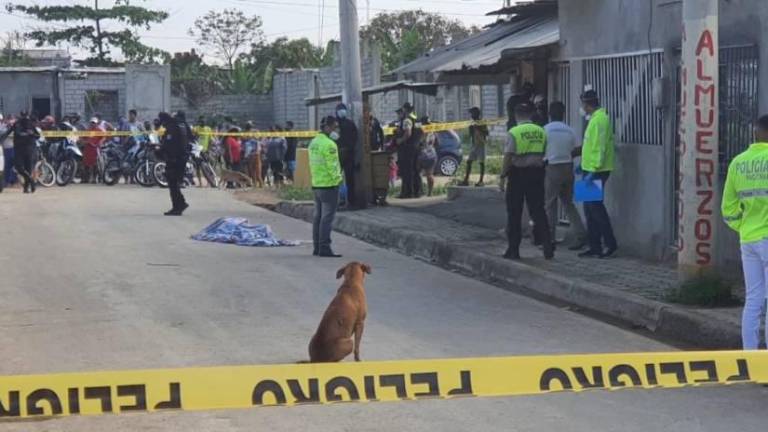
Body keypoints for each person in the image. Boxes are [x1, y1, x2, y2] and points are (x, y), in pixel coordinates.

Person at [722, 114, 768, 350]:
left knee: (753, 300)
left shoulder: (738, 163)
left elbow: (727, 208)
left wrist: (743, 226)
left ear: (755, 133)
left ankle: (750, 359)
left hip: (748, 238)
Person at [500, 103, 553, 260]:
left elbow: (508, 156)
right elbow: (545, 152)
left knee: (514, 212)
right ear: (531, 115)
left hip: (517, 174)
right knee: (538, 210)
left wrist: (502, 176)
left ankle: (513, 250)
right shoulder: (541, 131)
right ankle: (547, 245)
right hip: (537, 173)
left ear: (516, 116)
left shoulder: (514, 132)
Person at [577, 89, 618, 258]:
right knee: (588, 208)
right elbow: (590, 147)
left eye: (583, 104)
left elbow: (600, 148)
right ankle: (594, 246)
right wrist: (582, 166)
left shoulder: (600, 120)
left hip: (597, 170)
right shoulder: (595, 119)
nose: (582, 108)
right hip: (589, 168)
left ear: (587, 105)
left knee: (596, 208)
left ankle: (610, 244)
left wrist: (593, 170)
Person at [544, 101, 588, 250]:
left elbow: (541, 150)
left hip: (552, 167)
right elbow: (580, 148)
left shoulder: (545, 130)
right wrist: (568, 155)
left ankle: (549, 239)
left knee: (550, 204)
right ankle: (581, 235)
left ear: (550, 114)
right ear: (563, 114)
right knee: (568, 203)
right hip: (568, 167)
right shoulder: (570, 130)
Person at [309, 116, 344, 258]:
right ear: (328, 127)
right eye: (334, 127)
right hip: (329, 185)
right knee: (326, 218)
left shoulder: (313, 142)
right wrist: (338, 181)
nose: (336, 130)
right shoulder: (329, 145)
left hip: (317, 184)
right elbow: (333, 166)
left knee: (318, 217)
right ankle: (324, 247)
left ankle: (317, 247)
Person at [158, 112, 189, 216]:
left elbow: (170, 144)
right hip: (182, 157)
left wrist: (160, 150)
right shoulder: (181, 125)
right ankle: (181, 203)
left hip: (175, 159)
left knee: (173, 183)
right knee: (174, 183)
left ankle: (177, 207)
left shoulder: (172, 127)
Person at [335, 103, 358, 207]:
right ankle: (341, 199)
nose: (342, 111)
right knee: (337, 178)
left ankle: (352, 200)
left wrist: (351, 148)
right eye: (340, 110)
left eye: (343, 109)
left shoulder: (350, 123)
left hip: (349, 154)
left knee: (350, 178)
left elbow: (355, 137)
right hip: (337, 154)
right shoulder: (334, 124)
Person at [460, 107, 489, 187]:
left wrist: (478, 127)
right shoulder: (472, 123)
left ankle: (481, 181)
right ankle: (466, 180)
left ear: (476, 114)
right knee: (469, 161)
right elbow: (471, 134)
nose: (471, 115)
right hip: (474, 144)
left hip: (481, 144)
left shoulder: (482, 122)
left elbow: (487, 133)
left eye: (472, 113)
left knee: (481, 162)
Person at [12, 111, 39, 193]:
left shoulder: (31, 124)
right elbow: (15, 133)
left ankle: (26, 188)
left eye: (26, 116)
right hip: (19, 149)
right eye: (23, 116)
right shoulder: (17, 124)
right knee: (19, 167)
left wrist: (32, 134)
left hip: (29, 149)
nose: (25, 118)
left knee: (28, 169)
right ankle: (31, 181)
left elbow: (38, 136)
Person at [403, 102, 423, 197]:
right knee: (416, 170)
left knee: (409, 170)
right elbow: (422, 133)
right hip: (417, 147)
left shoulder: (407, 120)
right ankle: (418, 192)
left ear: (405, 109)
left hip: (409, 147)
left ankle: (409, 193)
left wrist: (400, 140)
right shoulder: (417, 119)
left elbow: (408, 133)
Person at [419, 128, 438, 197]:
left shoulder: (422, 132)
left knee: (418, 174)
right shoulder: (433, 132)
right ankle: (430, 192)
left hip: (423, 155)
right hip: (432, 154)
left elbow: (420, 142)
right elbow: (437, 143)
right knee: (429, 174)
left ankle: (421, 191)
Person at [1, 115, 16, 188]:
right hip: (6, 148)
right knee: (7, 166)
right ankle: (7, 181)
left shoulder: (16, 127)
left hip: (15, 148)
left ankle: (13, 181)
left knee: (15, 165)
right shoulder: (3, 127)